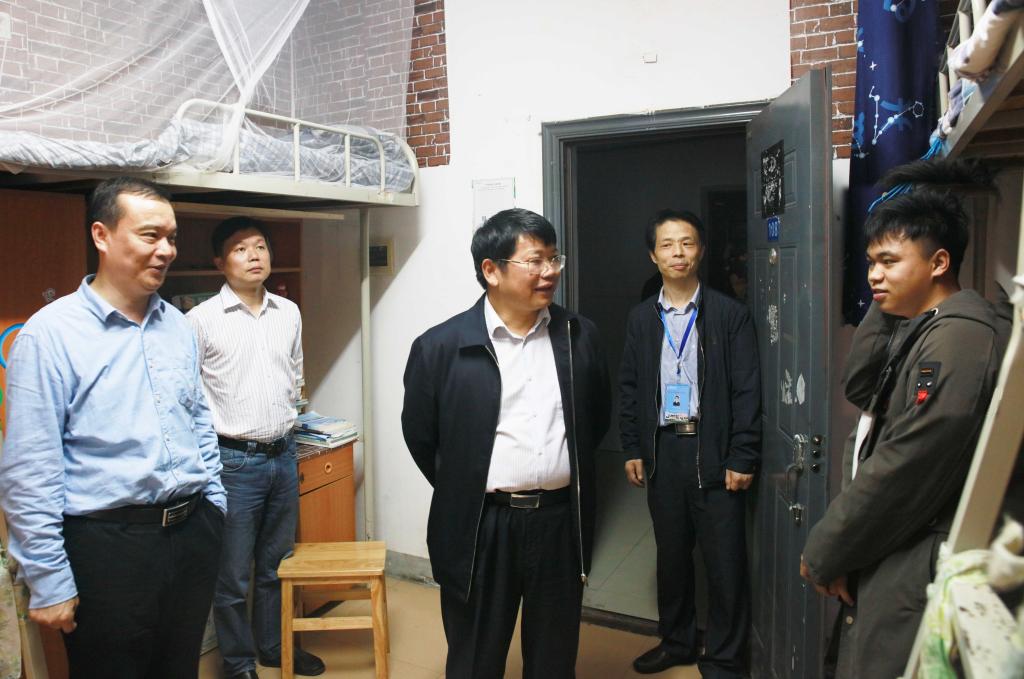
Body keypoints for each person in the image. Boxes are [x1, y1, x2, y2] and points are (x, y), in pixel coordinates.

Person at [0, 177, 226, 678]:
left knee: (178, 668)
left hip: (192, 532)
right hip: (107, 546)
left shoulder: (178, 326)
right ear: (101, 235)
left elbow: (197, 419)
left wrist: (214, 504)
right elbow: (29, 468)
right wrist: (48, 578)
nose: (166, 250)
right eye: (150, 235)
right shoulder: (50, 335)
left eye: (171, 237)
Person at [800, 159, 1010, 678]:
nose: (874, 274)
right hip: (891, 542)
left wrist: (827, 549)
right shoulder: (923, 323)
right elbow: (861, 385)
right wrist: (889, 297)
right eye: (871, 262)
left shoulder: (960, 338)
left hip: (916, 551)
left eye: (889, 261)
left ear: (939, 262)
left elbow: (907, 466)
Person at [401, 208, 611, 679]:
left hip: (559, 522)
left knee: (554, 657)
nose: (550, 271)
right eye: (535, 261)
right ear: (491, 270)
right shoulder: (441, 347)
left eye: (554, 259)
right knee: (476, 657)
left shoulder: (579, 335)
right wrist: (468, 482)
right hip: (481, 525)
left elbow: (595, 419)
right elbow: (421, 436)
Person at [619, 209, 760, 678]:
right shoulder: (642, 318)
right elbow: (630, 386)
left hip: (714, 449)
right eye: (667, 244)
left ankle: (724, 658)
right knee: (672, 557)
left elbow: (747, 390)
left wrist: (742, 454)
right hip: (664, 451)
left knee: (725, 562)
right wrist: (633, 446)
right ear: (653, 255)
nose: (677, 252)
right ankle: (677, 642)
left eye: (687, 242)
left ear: (700, 250)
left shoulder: (729, 314)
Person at [187, 217, 322, 679]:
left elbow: (296, 374)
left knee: (275, 565)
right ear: (219, 262)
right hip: (233, 462)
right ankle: (239, 663)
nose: (254, 256)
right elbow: (188, 396)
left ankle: (273, 648)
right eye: (241, 249)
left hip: (284, 454)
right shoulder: (200, 320)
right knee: (232, 576)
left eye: (260, 246)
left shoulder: (289, 312)